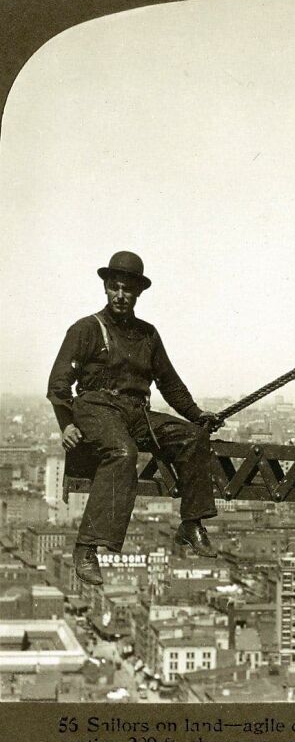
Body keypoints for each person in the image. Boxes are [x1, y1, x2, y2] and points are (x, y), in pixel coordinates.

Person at [47, 251, 220, 586]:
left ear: (138, 293)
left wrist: (197, 415)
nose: (121, 295)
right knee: (122, 453)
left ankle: (191, 523)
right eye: (115, 287)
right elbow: (58, 384)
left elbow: (169, 382)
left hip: (135, 411)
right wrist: (66, 423)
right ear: (106, 288)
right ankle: (87, 549)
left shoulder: (147, 335)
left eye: (127, 289)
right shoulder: (86, 329)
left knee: (194, 437)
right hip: (96, 409)